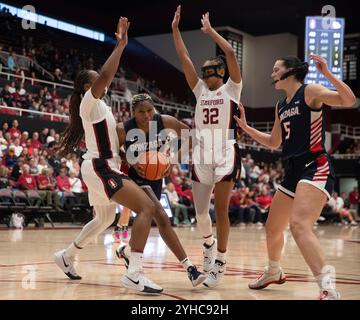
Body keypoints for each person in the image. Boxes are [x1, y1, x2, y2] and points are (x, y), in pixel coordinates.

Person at [53, 17, 163, 294]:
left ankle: (67, 255)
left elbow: (115, 140)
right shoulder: (90, 102)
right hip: (101, 167)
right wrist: (121, 45)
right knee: (147, 208)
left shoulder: (100, 106)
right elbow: (105, 75)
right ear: (87, 87)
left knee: (104, 220)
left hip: (101, 165)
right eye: (95, 80)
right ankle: (134, 272)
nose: (102, 83)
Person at [234, 54, 356, 300]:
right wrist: (247, 130)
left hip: (315, 166)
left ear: (290, 72)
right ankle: (273, 271)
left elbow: (349, 100)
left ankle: (327, 287)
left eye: (275, 69)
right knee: (272, 228)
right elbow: (274, 141)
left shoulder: (310, 91)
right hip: (292, 171)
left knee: (299, 225)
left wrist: (328, 75)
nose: (272, 74)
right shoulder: (281, 105)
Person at [172, 6, 242, 287]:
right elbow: (184, 57)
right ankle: (208, 248)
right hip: (201, 152)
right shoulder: (200, 90)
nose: (204, 75)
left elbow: (232, 54)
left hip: (225, 151)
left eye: (210, 71)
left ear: (221, 72)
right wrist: (176, 30)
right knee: (200, 212)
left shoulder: (232, 88)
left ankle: (220, 263)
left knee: (221, 210)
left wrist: (211, 32)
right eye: (204, 72)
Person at [115, 93, 205, 287]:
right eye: (141, 112)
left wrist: (172, 160)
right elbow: (113, 151)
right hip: (136, 179)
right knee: (162, 218)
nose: (147, 115)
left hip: (155, 178)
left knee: (155, 219)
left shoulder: (164, 121)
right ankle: (190, 269)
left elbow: (189, 134)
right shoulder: (124, 129)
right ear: (133, 112)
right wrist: (129, 160)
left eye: (149, 110)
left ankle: (127, 252)